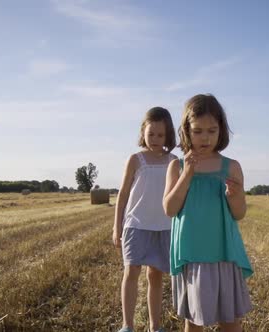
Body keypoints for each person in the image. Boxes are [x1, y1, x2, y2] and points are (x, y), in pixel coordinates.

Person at [163, 94, 253, 332]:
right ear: (186, 131)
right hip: (193, 254)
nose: (205, 137)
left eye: (212, 131)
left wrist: (235, 196)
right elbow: (170, 209)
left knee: (230, 319)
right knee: (194, 319)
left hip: (223, 252)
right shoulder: (177, 166)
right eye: (198, 131)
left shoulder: (231, 167)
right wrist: (187, 175)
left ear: (221, 131)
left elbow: (239, 213)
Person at [113, 107, 177, 332]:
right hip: (136, 225)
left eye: (161, 135)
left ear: (168, 135)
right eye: (151, 134)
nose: (156, 139)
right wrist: (116, 227)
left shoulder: (174, 161)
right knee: (131, 272)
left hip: (163, 227)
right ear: (143, 132)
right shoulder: (135, 159)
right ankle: (127, 325)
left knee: (156, 275)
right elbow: (122, 195)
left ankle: (154, 326)